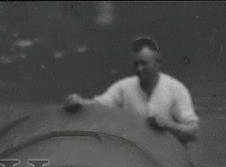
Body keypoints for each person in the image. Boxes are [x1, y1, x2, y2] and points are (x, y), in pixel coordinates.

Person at [64, 36, 199, 145]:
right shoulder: (124, 87)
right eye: (136, 64)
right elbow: (98, 105)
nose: (139, 69)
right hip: (137, 155)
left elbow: (193, 132)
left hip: (168, 158)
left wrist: (168, 125)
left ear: (158, 63)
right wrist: (79, 101)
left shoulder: (176, 88)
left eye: (144, 63)